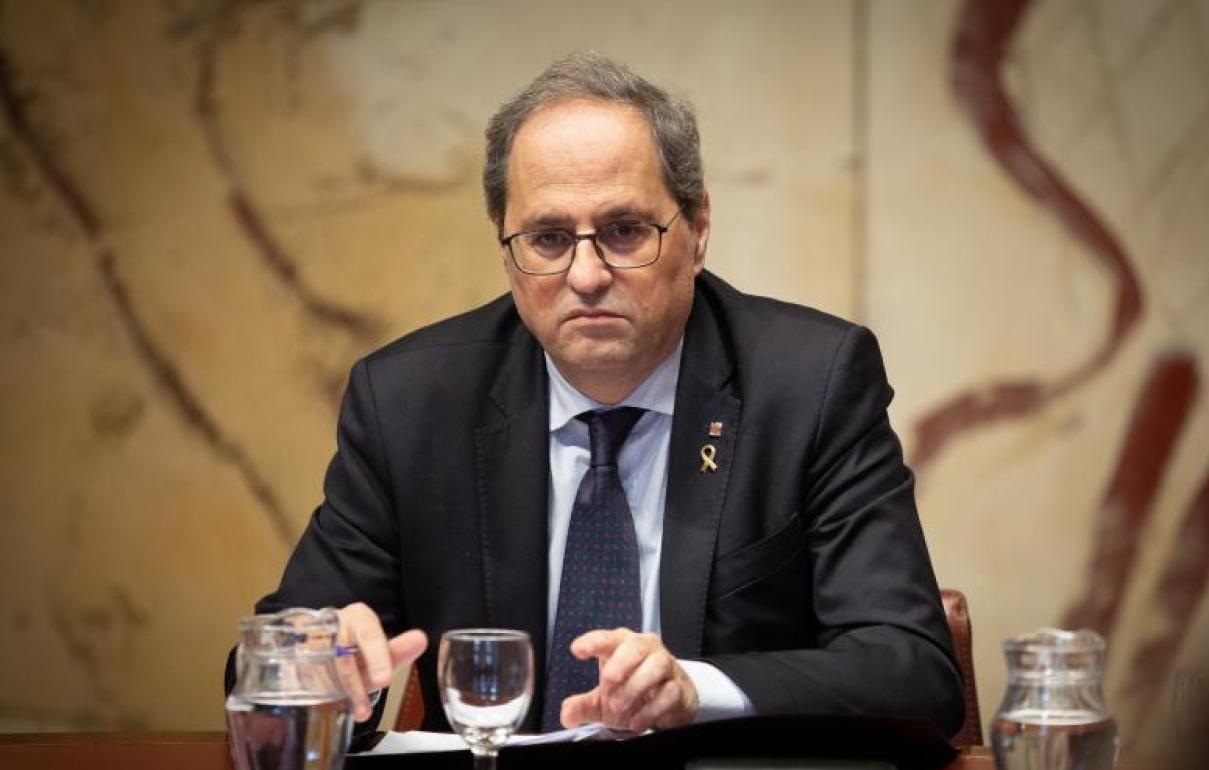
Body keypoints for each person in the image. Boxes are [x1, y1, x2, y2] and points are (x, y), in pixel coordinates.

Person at [230, 52, 964, 739]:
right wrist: (315, 671)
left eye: (624, 231)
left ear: (697, 229)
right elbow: (258, 677)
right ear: (506, 249)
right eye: (548, 239)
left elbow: (912, 671)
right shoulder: (411, 404)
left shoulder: (809, 384)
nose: (585, 276)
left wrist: (696, 689)